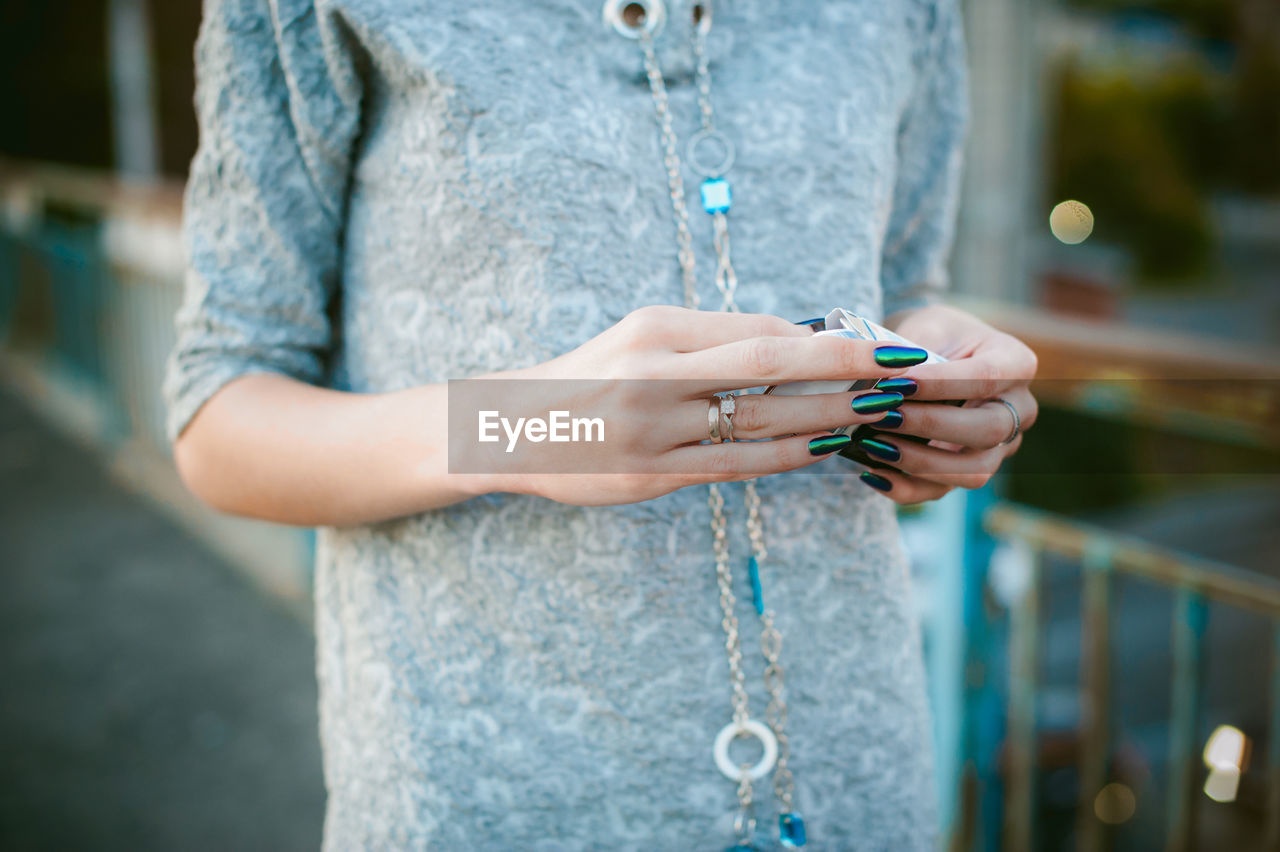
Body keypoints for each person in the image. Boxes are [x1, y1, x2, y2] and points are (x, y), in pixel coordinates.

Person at [164, 0, 1037, 848]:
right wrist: (532, 427)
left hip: (857, 767)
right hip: (499, 789)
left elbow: (903, 286)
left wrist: (938, 372)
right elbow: (220, 413)